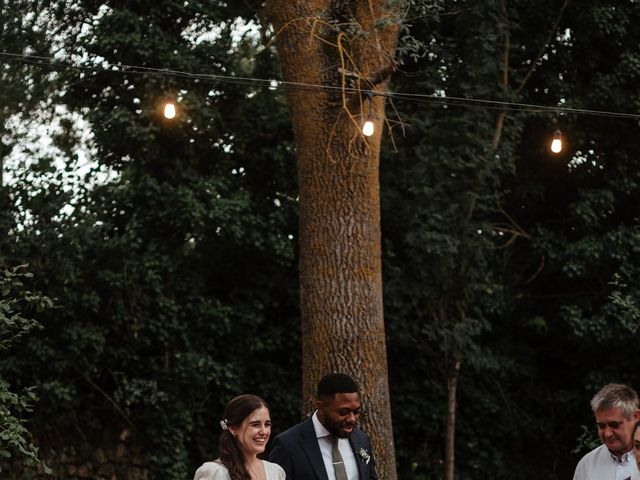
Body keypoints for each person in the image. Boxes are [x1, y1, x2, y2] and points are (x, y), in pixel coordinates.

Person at [269, 372, 378, 480]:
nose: (352, 419)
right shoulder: (288, 445)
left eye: (356, 412)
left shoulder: (361, 440)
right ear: (321, 407)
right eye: (343, 412)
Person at [194, 394, 285, 480]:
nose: (264, 431)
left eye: (267, 424)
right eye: (255, 424)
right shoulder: (215, 473)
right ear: (233, 428)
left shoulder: (275, 472)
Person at [573, 383, 640, 480]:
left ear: (636, 417)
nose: (607, 434)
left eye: (614, 425)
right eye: (601, 426)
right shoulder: (587, 465)